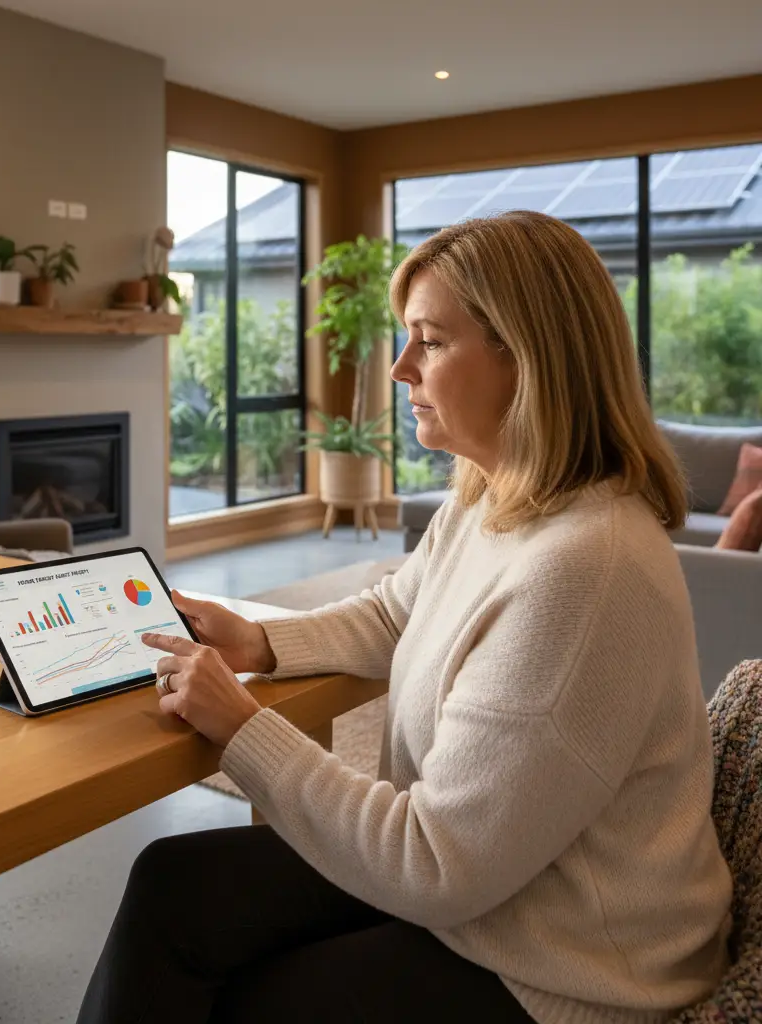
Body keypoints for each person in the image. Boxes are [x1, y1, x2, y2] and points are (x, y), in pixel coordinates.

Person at [76, 211, 733, 1024]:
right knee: (170, 884)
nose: (397, 368)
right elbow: (398, 609)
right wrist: (262, 640)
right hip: (492, 892)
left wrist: (243, 730)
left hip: (565, 968)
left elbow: (434, 863)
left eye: (429, 340)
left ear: (525, 359)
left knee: (248, 1003)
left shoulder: (584, 569)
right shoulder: (494, 494)